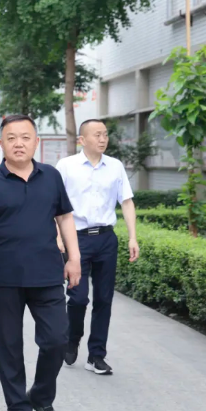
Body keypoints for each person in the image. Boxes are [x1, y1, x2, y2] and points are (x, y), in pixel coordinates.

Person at [0, 114, 81, 411]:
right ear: (1, 143)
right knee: (9, 346)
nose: (19, 143)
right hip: (4, 277)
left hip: (47, 273)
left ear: (36, 142)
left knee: (57, 339)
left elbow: (65, 217)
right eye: (11, 138)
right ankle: (19, 410)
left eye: (25, 137)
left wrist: (74, 258)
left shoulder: (51, 176)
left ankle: (41, 397)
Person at [55, 119, 139, 375]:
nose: (103, 139)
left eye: (105, 135)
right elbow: (54, 204)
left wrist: (132, 237)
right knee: (78, 298)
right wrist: (58, 236)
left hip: (106, 239)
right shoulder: (66, 166)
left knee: (104, 299)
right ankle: (72, 339)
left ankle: (96, 355)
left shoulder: (115, 166)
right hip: (76, 239)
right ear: (82, 139)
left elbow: (126, 202)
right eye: (97, 135)